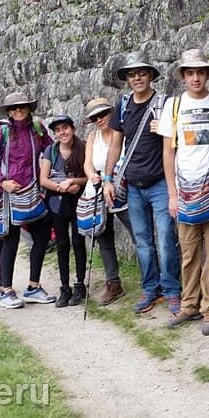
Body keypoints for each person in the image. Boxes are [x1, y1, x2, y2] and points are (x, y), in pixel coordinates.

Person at [158, 49, 209, 336]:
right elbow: (168, 151)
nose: (196, 77)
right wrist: (172, 194)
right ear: (184, 76)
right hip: (186, 187)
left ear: (207, 74)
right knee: (189, 250)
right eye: (190, 73)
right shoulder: (174, 107)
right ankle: (189, 304)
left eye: (201, 72)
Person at [102, 52, 180, 315]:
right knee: (143, 242)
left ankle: (171, 290)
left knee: (166, 241)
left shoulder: (165, 104)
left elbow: (179, 140)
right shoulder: (123, 106)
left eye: (142, 73)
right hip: (133, 185)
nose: (137, 78)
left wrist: (167, 128)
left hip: (159, 183)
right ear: (127, 79)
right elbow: (115, 144)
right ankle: (151, 289)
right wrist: (107, 178)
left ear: (150, 76)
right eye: (132, 74)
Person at [0, 92, 55, 309]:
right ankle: (6, 290)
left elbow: (51, 150)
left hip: (32, 190)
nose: (18, 111)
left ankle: (33, 286)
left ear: (28, 108)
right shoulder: (1, 132)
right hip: (9, 193)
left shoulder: (37, 129)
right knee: (10, 239)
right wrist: (2, 182)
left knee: (42, 235)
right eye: (13, 109)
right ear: (8, 112)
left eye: (22, 107)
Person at [81, 97, 136, 306]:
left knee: (138, 234)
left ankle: (152, 281)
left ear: (111, 114)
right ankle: (113, 282)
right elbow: (87, 164)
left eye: (102, 114)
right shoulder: (93, 138)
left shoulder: (119, 133)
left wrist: (108, 179)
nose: (99, 120)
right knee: (104, 239)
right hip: (97, 191)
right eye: (94, 117)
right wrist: (93, 176)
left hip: (121, 190)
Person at [39, 115, 88, 307]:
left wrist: (74, 182)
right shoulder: (50, 151)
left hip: (79, 200)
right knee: (62, 244)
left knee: (78, 241)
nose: (62, 133)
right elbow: (43, 179)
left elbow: (89, 176)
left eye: (65, 128)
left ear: (73, 129)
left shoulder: (83, 148)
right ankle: (64, 287)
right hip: (57, 201)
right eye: (58, 130)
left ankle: (80, 284)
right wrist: (61, 187)